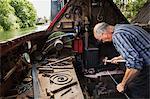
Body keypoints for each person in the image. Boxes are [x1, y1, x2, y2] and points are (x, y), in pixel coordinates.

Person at [93, 22, 150, 98]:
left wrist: (123, 84)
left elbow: (135, 65)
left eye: (101, 39)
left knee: (134, 87)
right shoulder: (124, 27)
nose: (103, 41)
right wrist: (120, 57)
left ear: (104, 34)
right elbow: (137, 50)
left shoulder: (118, 35)